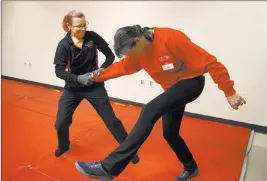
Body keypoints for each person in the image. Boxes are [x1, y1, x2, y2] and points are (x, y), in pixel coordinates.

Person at [74, 25, 246, 181]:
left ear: (138, 41)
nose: (132, 57)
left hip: (191, 82)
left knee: (149, 110)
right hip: (172, 89)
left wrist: (229, 91)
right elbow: (123, 67)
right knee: (170, 133)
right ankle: (191, 167)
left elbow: (210, 62)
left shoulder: (171, 38)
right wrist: (94, 77)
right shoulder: (138, 50)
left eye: (131, 52)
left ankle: (108, 168)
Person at [53, 10, 139, 164]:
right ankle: (63, 145)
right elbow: (59, 71)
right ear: (69, 26)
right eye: (78, 26)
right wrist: (78, 78)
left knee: (111, 120)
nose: (83, 29)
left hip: (94, 86)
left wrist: (100, 71)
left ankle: (128, 151)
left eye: (84, 24)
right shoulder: (63, 45)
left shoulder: (92, 37)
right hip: (73, 89)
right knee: (61, 122)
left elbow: (110, 55)